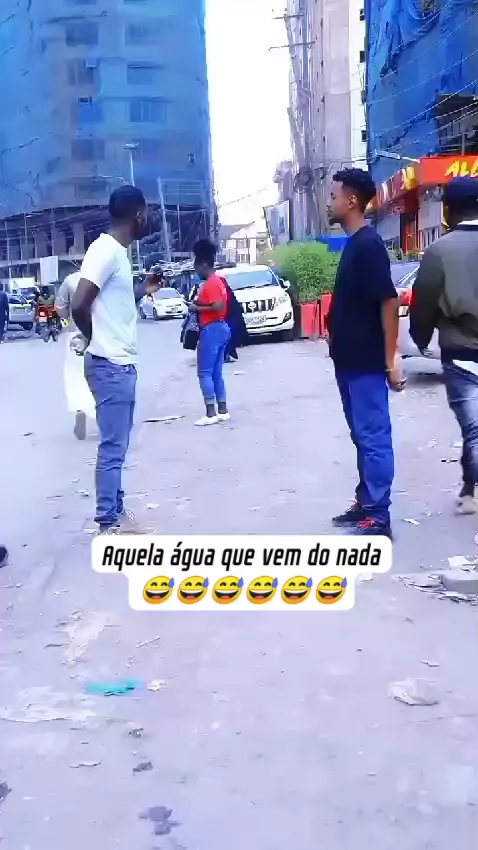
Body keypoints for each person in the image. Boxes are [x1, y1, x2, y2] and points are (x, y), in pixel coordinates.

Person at [72, 185, 161, 535]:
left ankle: (116, 513)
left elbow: (111, 304)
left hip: (118, 364)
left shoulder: (118, 254)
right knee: (112, 448)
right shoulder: (106, 250)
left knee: (117, 446)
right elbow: (80, 304)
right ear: (137, 214)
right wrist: (94, 338)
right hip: (109, 364)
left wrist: (143, 290)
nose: (148, 218)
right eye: (147, 212)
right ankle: (108, 521)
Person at [327, 168, 404, 538]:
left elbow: (389, 302)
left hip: (366, 363)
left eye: (334, 196)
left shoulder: (369, 245)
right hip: (348, 362)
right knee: (361, 435)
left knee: (373, 437)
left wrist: (391, 359)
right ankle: (365, 502)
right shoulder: (354, 244)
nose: (330, 202)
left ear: (352, 200)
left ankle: (378, 515)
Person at [410, 176, 478, 515]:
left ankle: (472, 492)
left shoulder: (439, 251)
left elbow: (423, 304)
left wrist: (421, 339)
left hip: (461, 354)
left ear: (448, 211)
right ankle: (469, 487)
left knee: (474, 428)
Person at [189, 238, 231, 426]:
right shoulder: (220, 281)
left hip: (212, 329)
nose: (197, 272)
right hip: (221, 328)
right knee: (216, 373)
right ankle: (222, 410)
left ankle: (210, 412)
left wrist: (196, 308)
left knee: (204, 373)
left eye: (197, 267)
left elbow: (218, 306)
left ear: (204, 264)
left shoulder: (211, 283)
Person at [55, 271, 96, 440]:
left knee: (76, 375)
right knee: (103, 373)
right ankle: (104, 415)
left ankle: (80, 408)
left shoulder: (70, 280)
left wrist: (68, 318)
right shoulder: (105, 276)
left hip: (76, 333)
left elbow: (60, 307)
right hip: (102, 332)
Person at [224, 279, 247, 362]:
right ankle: (228, 353)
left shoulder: (225, 292)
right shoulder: (227, 291)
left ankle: (227, 353)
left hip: (229, 316)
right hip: (229, 316)